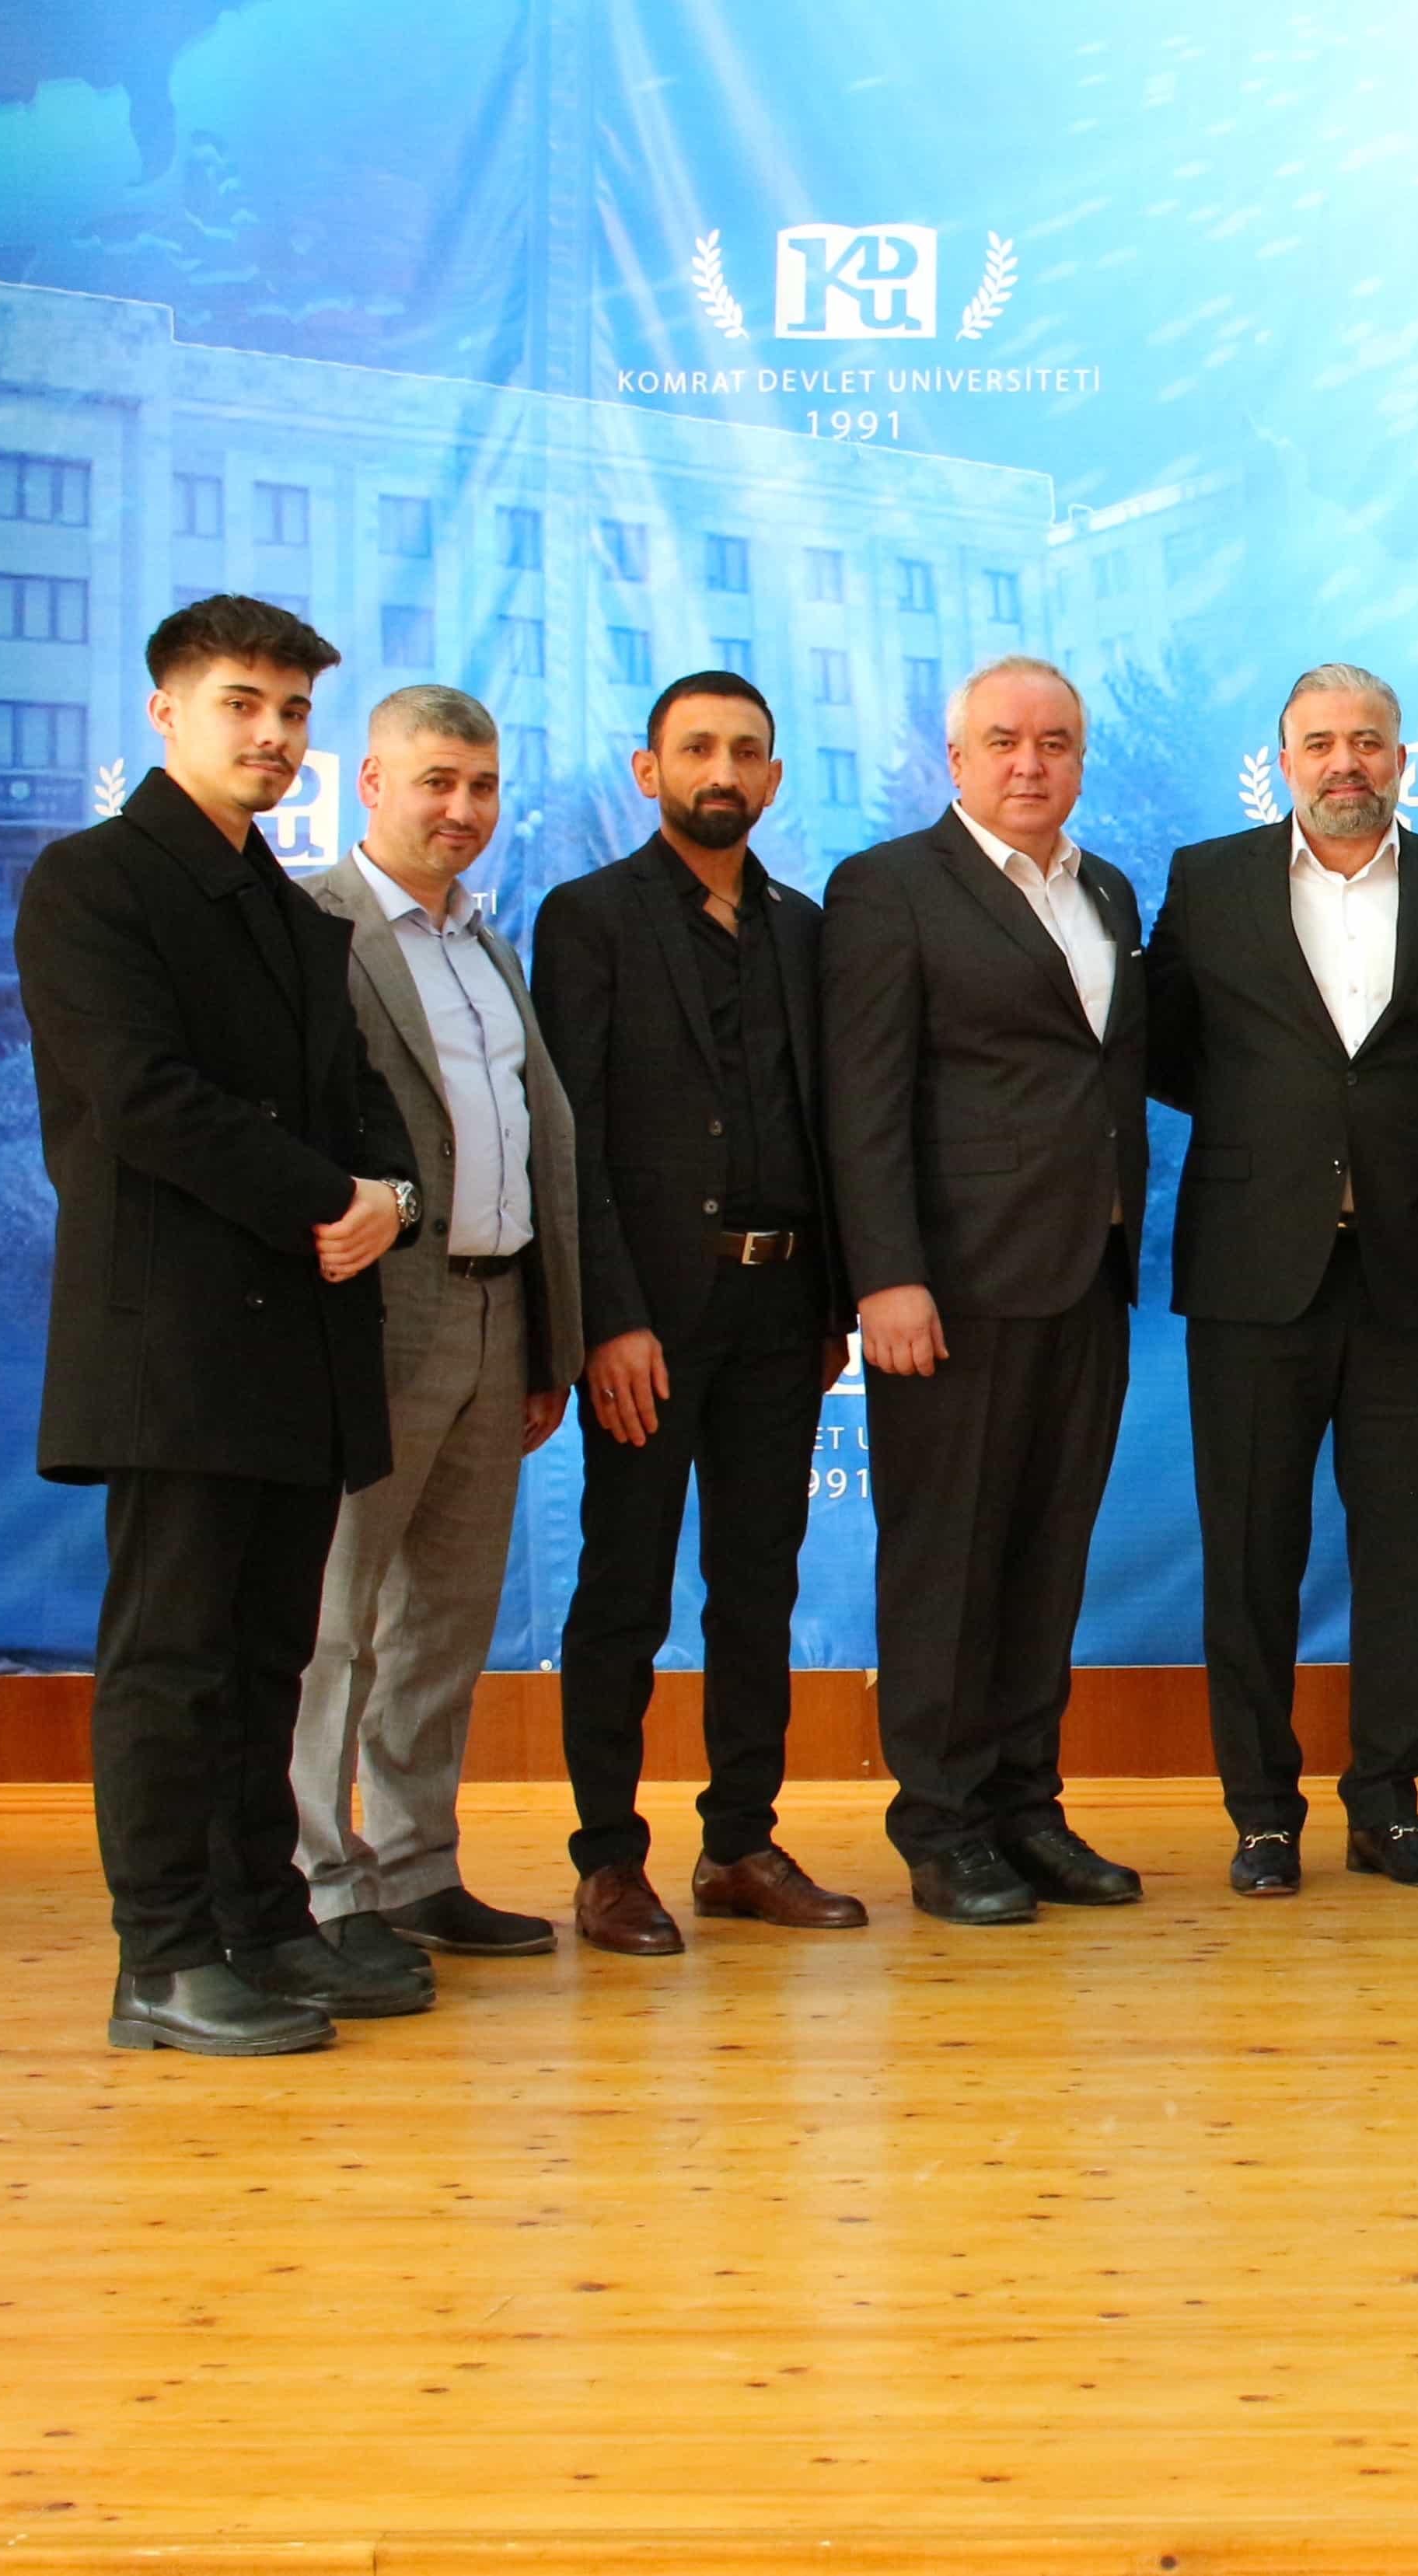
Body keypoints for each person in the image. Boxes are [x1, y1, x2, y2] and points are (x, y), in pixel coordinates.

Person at [16, 594, 421, 2053]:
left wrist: (393, 1197)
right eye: (243, 703)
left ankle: (265, 1919)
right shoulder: (91, 881)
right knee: (173, 1660)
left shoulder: (297, 913)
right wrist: (333, 1196)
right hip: (174, 1338)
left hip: (300, 1335)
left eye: (294, 710)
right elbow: (144, 1099)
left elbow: (360, 1098)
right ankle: (164, 1956)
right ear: (165, 711)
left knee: (269, 1658)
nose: (274, 733)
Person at [1144, 665, 1418, 1897]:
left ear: (1401, 758)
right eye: (1320, 742)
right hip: (1253, 1272)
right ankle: (1262, 1816)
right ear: (1283, 760)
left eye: (1367, 740)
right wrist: (1280, 1132)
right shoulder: (1210, 881)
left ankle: (1388, 1806)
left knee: (1403, 1553)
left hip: (1413, 1277)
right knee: (1250, 1554)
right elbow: (1167, 1048)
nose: (1344, 761)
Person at [530, 670, 864, 1957]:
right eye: (696, 748)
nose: (721, 770)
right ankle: (609, 1860)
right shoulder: (589, 918)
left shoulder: (805, 926)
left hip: (785, 1309)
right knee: (623, 1586)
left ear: (772, 777)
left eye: (744, 751)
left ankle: (739, 1844)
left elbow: (830, 1124)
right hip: (650, 1321)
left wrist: (832, 1302)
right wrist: (606, 1318)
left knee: (758, 1584)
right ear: (649, 769)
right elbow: (570, 1135)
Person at [822, 657, 1152, 1925]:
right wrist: (887, 1277)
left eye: (1055, 742)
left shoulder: (1105, 889)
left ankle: (1026, 1806)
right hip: (952, 1288)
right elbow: (863, 1100)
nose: (1031, 762)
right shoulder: (889, 886)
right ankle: (942, 1822)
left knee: (1045, 1558)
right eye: (1005, 740)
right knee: (947, 1562)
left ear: (1079, 760)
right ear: (955, 758)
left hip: (1086, 1277)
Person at [288, 688, 585, 1984]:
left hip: (497, 1310)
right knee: (333, 1620)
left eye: (482, 784)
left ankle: (415, 1867)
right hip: (370, 1319)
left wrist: (547, 1338)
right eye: (436, 781)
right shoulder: (310, 926)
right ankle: (318, 1883)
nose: (462, 808)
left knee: (446, 1621)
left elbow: (533, 1141)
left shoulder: (486, 940)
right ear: (370, 784)